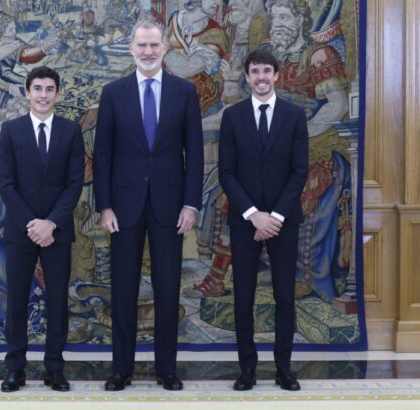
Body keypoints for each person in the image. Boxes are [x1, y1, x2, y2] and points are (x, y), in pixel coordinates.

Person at [93, 18, 204, 391]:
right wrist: (105, 207)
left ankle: (166, 369)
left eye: (154, 45)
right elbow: (103, 154)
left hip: (171, 206)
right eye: (141, 45)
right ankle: (121, 370)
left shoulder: (184, 92)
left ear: (165, 48)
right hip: (122, 207)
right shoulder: (113, 93)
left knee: (168, 288)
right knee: (123, 288)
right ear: (131, 49)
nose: (148, 51)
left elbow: (195, 154)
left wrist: (191, 204)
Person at [219, 49, 308, 391]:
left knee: (285, 296)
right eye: (254, 71)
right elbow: (227, 172)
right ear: (246, 76)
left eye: (266, 71)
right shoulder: (232, 116)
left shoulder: (294, 115)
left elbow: (299, 171)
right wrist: (254, 215)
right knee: (244, 298)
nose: (261, 77)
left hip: (284, 221)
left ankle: (284, 370)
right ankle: (248, 370)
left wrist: (275, 217)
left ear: (276, 75)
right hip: (245, 221)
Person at [0, 66, 85, 393]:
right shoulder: (11, 130)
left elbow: (74, 184)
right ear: (27, 93)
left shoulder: (71, 131)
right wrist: (33, 225)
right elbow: (6, 184)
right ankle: (15, 369)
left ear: (57, 94)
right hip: (20, 231)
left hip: (57, 231)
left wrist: (51, 223)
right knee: (17, 300)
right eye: (38, 88)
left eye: (49, 89)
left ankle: (54, 369)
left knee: (57, 301)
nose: (43, 95)